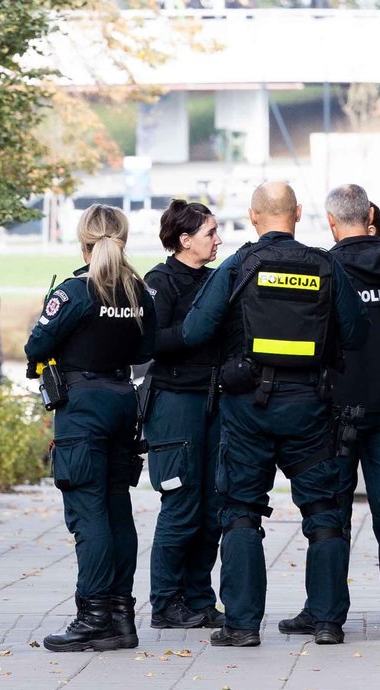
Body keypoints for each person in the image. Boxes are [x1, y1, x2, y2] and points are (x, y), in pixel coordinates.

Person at [181, 181, 369, 647]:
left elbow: (195, 329)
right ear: (299, 213)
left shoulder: (239, 265)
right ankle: (327, 621)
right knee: (324, 512)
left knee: (241, 512)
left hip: (247, 410)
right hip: (309, 408)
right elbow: (357, 332)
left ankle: (242, 626)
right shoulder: (326, 266)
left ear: (253, 216)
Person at [278, 185, 380, 637]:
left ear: (331, 222)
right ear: (368, 214)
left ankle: (324, 611)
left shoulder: (325, 273)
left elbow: (304, 342)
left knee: (328, 511)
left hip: (333, 413)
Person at [26, 204, 157, 652]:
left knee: (90, 512)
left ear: (83, 240)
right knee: (117, 508)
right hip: (124, 400)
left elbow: (36, 343)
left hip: (83, 407)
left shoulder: (75, 291)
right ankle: (121, 616)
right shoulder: (138, 290)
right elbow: (149, 345)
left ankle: (94, 615)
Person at [143, 199, 227, 630]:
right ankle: (165, 602)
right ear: (184, 239)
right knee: (181, 504)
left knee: (213, 506)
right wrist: (195, 331)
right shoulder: (160, 281)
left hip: (214, 402)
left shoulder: (217, 280)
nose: (218, 240)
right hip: (176, 403)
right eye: (210, 232)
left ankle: (198, 597)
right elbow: (148, 343)